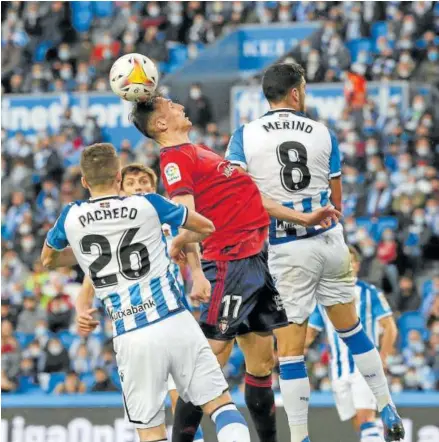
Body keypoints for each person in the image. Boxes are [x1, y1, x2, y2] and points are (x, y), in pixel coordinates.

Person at [129, 96, 340, 442]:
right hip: (230, 263)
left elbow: (252, 195)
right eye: (170, 104)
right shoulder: (175, 159)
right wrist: (179, 242)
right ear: (161, 124)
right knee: (205, 363)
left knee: (261, 364)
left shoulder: (199, 151)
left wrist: (303, 217)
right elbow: (187, 216)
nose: (180, 105)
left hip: (255, 259)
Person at [225, 62, 404, 442]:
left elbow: (241, 197)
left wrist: (293, 214)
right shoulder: (323, 132)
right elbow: (336, 199)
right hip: (330, 239)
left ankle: (301, 437)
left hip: (285, 246)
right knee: (353, 329)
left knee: (290, 351)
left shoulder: (246, 135)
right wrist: (317, 214)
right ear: (295, 93)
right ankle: (386, 404)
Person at [41, 143, 251, 442]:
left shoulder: (71, 217)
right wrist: (176, 240)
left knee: (151, 431)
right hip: (175, 320)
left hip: (131, 334)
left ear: (84, 182)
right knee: (220, 405)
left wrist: (89, 253)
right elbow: (205, 226)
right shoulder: (148, 204)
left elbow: (48, 259)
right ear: (118, 177)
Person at [79, 162, 205, 442]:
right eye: (132, 182)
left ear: (154, 186)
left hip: (172, 322)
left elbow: (192, 239)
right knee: (149, 416)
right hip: (135, 328)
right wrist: (82, 308)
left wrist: (196, 274)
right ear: (120, 188)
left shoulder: (165, 214)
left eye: (144, 182)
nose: (139, 186)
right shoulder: (112, 228)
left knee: (186, 405)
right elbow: (90, 275)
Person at [306, 246, 398, 442]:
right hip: (338, 369)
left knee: (366, 419)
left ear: (356, 265)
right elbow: (311, 332)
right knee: (359, 422)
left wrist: (382, 358)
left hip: (363, 367)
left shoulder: (369, 292)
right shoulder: (324, 297)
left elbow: (390, 327)